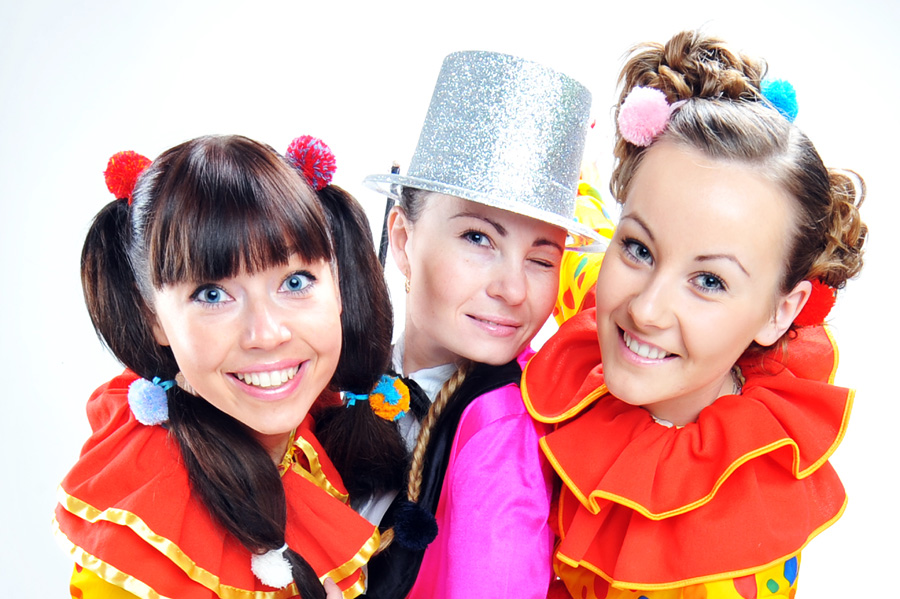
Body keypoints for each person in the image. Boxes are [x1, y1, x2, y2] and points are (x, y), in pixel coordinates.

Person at [522, 30, 867, 598]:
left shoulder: (732, 565)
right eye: (639, 248)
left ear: (781, 313)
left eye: (709, 281)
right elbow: (581, 246)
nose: (646, 309)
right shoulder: (599, 287)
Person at [52, 134, 403, 599]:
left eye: (295, 282)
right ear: (152, 316)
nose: (267, 334)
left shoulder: (322, 423)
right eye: (213, 294)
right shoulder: (146, 525)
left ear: (337, 286)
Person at [319, 51, 608, 599]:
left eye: (542, 258)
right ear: (403, 239)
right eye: (479, 238)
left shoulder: (501, 425)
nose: (513, 290)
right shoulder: (330, 376)